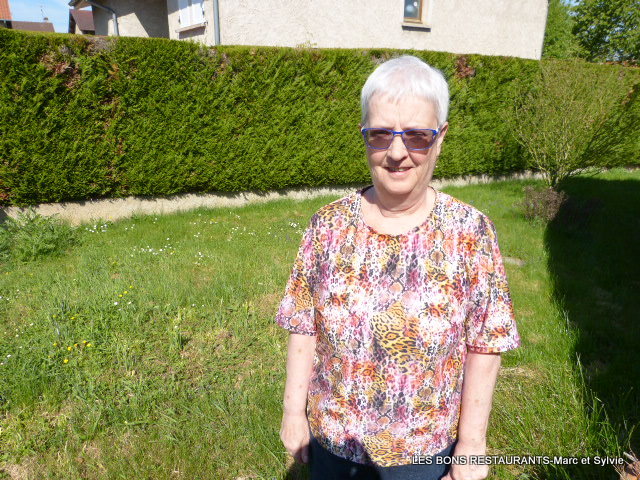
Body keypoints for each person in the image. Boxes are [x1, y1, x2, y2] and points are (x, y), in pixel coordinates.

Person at [275, 55, 521, 480]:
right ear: (364, 136)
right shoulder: (327, 226)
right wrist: (292, 411)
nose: (396, 153)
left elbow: (485, 343)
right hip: (333, 446)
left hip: (423, 455)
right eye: (380, 134)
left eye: (417, 136)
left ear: (440, 138)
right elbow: (303, 324)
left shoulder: (469, 232)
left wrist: (471, 445)